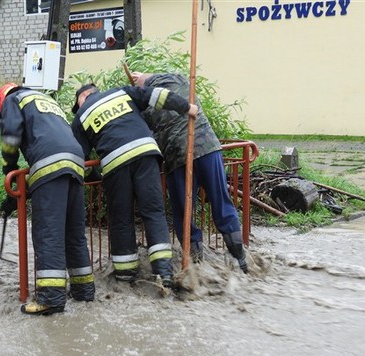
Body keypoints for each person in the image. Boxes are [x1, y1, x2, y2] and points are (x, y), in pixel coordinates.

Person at [71, 83, 198, 287]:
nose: (78, 108)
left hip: (114, 164)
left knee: (121, 219)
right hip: (145, 154)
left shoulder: (80, 118)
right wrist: (186, 107)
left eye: (78, 103)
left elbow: (80, 158)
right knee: (154, 212)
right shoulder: (121, 91)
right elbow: (156, 95)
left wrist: (95, 175)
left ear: (85, 95)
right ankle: (164, 274)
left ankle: (125, 277)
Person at [0, 83, 95, 315]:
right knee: (74, 233)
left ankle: (51, 298)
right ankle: (84, 291)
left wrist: (9, 170)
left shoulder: (13, 100)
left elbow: (10, 138)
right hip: (76, 163)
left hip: (49, 163)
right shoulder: (46, 102)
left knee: (49, 233)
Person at [131, 71, 248, 272]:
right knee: (222, 202)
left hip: (179, 157)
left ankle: (196, 266)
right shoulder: (178, 79)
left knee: (183, 213)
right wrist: (144, 77)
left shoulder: (144, 104)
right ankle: (242, 261)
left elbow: (147, 132)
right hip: (207, 147)